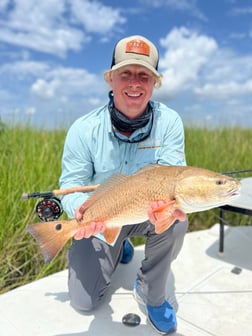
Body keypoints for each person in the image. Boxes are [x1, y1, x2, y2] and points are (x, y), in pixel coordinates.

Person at [59, 35, 188, 334]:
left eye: (144, 75)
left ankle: (149, 292)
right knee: (83, 301)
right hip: (103, 217)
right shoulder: (83, 129)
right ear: (110, 78)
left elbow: (173, 177)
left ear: (154, 83)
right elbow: (72, 184)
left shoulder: (170, 123)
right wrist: (81, 213)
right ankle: (120, 246)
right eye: (125, 74)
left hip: (147, 213)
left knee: (177, 219)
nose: (134, 83)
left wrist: (166, 208)